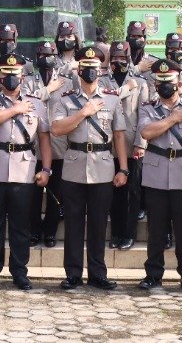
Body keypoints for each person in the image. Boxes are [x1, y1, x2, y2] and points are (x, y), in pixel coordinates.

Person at [50, 46, 129, 290]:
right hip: (74, 163)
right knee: (73, 222)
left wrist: (123, 169)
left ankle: (98, 273)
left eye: (95, 67)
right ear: (79, 69)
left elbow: (118, 136)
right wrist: (83, 112)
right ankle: (73, 274)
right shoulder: (65, 99)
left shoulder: (112, 98)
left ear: (101, 70)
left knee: (97, 222)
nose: (90, 71)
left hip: (103, 165)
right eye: (86, 67)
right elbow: (57, 129)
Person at [0, 52, 53, 290]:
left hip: (24, 169)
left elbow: (44, 139)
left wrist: (47, 169)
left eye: (15, 75)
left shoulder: (37, 103)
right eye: (6, 75)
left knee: (21, 225)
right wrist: (15, 110)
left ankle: (20, 272)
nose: (11, 78)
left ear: (22, 78)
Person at [137, 58, 182, 291]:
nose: (164, 85)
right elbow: (147, 133)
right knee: (155, 229)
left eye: (169, 81)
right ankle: (153, 274)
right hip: (155, 174)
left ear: (178, 83)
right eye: (160, 82)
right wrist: (172, 119)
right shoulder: (148, 109)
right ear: (155, 84)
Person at [27, 36, 71, 247]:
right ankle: (34, 230)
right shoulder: (27, 80)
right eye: (42, 55)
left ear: (56, 57)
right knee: (33, 194)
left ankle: (50, 231)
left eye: (50, 55)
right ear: (37, 58)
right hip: (32, 145)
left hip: (60, 145)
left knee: (56, 193)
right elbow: (27, 101)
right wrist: (48, 90)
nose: (46, 58)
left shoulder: (67, 83)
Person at [108, 41, 146, 249]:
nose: (118, 61)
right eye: (114, 58)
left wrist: (141, 143)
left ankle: (129, 234)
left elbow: (144, 116)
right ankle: (116, 233)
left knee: (133, 192)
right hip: (108, 146)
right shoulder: (103, 81)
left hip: (133, 146)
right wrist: (124, 89)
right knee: (115, 193)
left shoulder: (140, 82)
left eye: (122, 58)